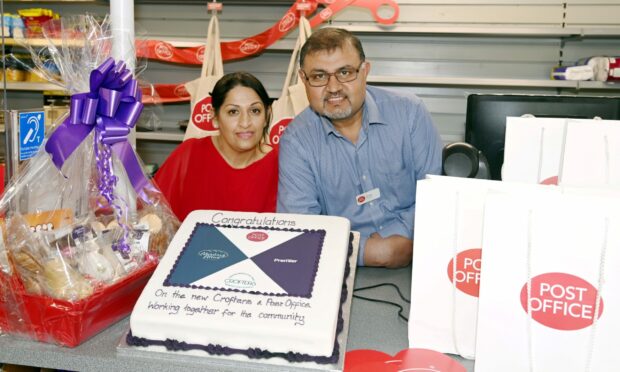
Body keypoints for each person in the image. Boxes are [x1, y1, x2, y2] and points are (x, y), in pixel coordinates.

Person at [277, 28, 442, 268]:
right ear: (304, 80)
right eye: (319, 76)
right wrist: (366, 251)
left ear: (365, 71)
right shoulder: (296, 140)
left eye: (345, 72)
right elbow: (301, 228)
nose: (333, 87)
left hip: (425, 254)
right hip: (340, 266)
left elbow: (437, 196)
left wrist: (402, 236)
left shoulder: (409, 113)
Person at [154, 71, 277, 221]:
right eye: (233, 112)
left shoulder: (283, 164)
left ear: (267, 115)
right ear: (215, 118)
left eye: (255, 111)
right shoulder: (190, 154)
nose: (245, 123)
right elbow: (150, 212)